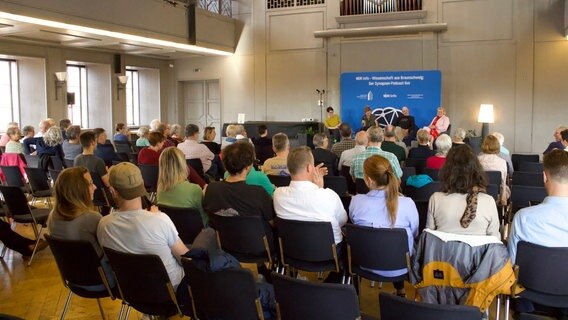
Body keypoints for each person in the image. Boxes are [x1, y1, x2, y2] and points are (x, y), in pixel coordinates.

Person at [97, 162, 190, 314]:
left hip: (131, 292)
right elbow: (185, 259)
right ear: (141, 186)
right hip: (173, 295)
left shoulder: (104, 224)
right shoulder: (160, 220)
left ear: (112, 190)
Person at [349, 155, 418, 296]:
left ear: (368, 180)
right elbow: (415, 233)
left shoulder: (356, 202)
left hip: (364, 262)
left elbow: (356, 225)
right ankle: (401, 290)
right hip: (401, 266)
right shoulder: (408, 203)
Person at [47, 166, 113, 290]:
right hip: (102, 281)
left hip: (72, 280)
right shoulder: (91, 218)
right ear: (78, 190)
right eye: (90, 184)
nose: (95, 187)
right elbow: (111, 250)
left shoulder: (53, 217)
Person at [203, 142, 275, 245]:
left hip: (224, 246)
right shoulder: (258, 192)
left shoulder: (212, 189)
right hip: (258, 249)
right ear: (248, 166)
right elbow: (273, 223)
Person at [274, 146, 347, 246]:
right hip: (329, 254)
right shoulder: (329, 196)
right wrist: (319, 188)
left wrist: (318, 188)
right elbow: (343, 221)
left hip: (292, 252)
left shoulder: (278, 194)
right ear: (309, 167)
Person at [426, 146, 500, 238]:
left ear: (447, 170)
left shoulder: (436, 199)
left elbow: (429, 237)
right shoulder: (488, 202)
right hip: (478, 252)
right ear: (476, 171)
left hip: (444, 252)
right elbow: (495, 241)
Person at [157, 148, 206, 225]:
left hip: (172, 232)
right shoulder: (194, 189)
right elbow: (203, 219)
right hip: (197, 234)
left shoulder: (160, 188)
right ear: (182, 164)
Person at [478, 135, 510, 205]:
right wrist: (503, 200)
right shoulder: (502, 162)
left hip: (479, 193)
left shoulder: (477, 160)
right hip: (497, 195)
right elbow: (503, 182)